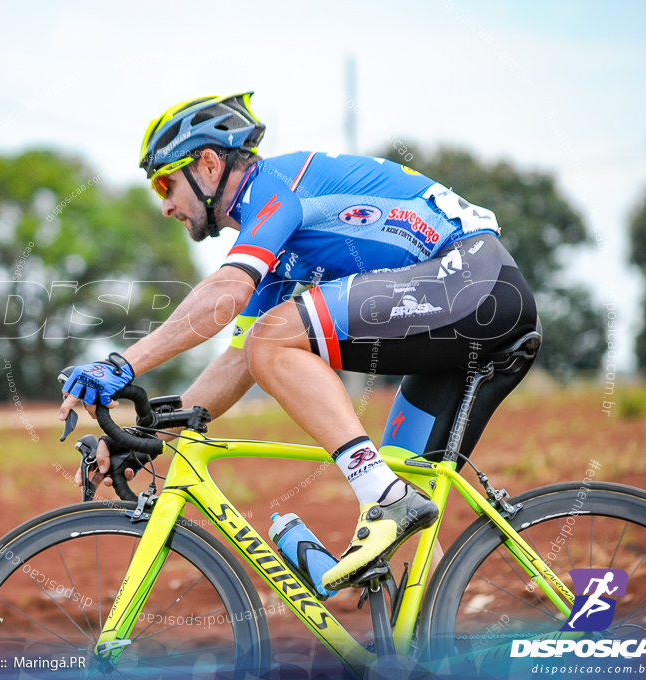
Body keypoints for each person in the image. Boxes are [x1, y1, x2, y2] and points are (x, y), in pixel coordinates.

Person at [59, 92, 539, 590]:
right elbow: (240, 361)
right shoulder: (279, 248)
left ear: (207, 163)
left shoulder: (274, 189)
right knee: (406, 528)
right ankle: (435, 656)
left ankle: (384, 497)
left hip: (474, 281)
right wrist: (144, 440)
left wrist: (121, 365)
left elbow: (225, 296)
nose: (164, 205)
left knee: (276, 340)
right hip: (462, 310)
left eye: (165, 182)